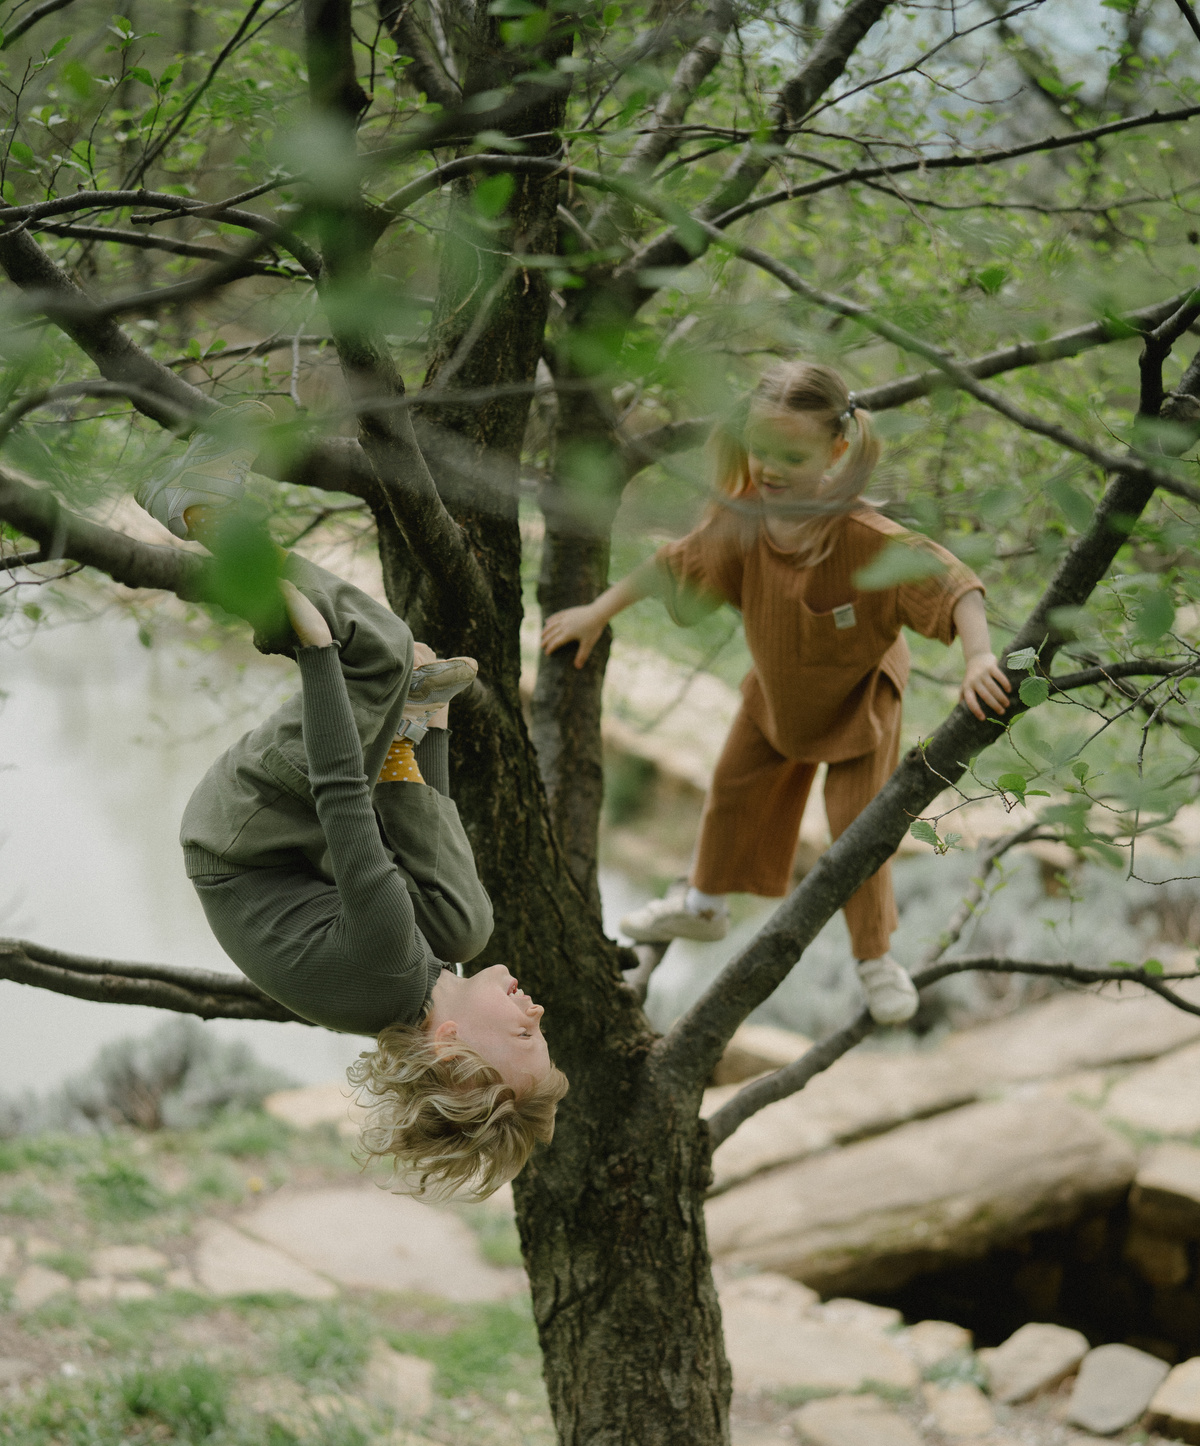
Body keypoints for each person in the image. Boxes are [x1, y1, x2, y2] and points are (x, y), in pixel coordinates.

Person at [138, 406, 567, 1197]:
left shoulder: (386, 966)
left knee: (377, 651)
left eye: (523, 1035)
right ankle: (405, 721)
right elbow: (418, 850)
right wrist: (430, 727)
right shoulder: (424, 976)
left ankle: (199, 509)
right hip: (296, 850)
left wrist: (316, 652)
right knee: (467, 921)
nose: (538, 1014)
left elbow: (342, 798)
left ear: (449, 1048)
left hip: (243, 838)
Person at [541, 361, 1012, 1026]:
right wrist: (597, 611)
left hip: (857, 707)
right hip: (777, 695)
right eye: (762, 449)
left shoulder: (865, 540)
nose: (771, 467)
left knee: (859, 830)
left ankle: (875, 957)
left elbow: (952, 584)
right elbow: (674, 564)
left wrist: (980, 656)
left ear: (837, 451)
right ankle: (703, 903)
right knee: (732, 792)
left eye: (793, 454)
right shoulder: (745, 522)